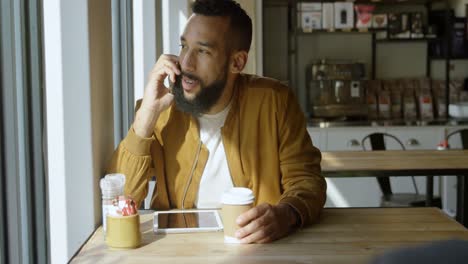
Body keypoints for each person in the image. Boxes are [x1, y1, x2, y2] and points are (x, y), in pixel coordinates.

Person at [108, 0, 326, 244]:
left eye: (203, 51)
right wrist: (146, 115)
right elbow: (120, 199)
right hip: (178, 252)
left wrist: (286, 215)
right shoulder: (161, 112)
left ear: (237, 63)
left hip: (259, 250)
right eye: (183, 46)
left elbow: (307, 181)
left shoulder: (275, 101)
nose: (186, 63)